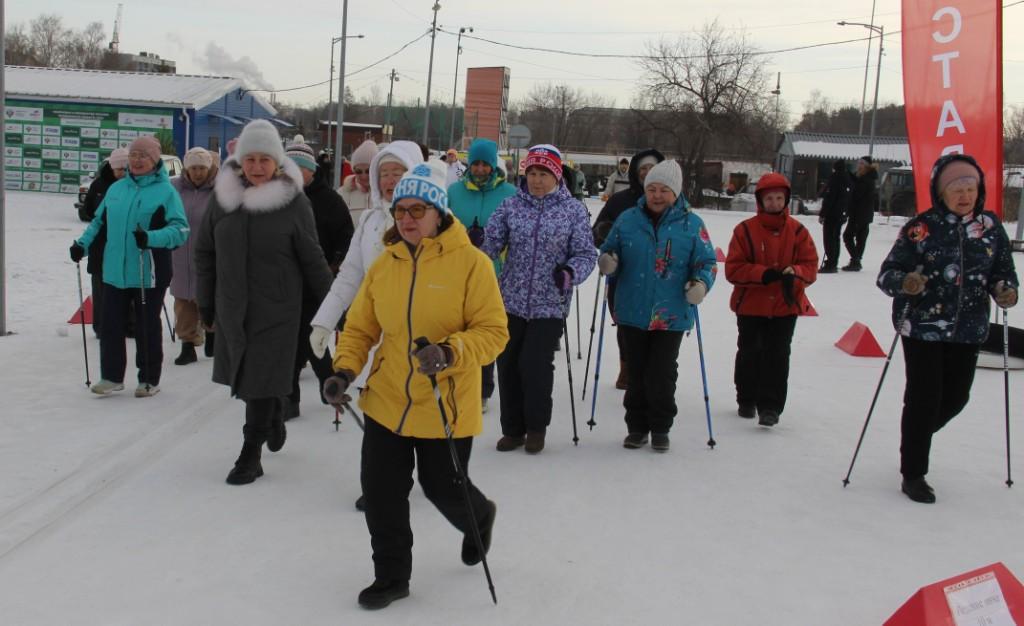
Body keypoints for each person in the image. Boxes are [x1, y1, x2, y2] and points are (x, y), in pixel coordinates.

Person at [322, 159, 508, 610]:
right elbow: (361, 328)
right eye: (400, 210)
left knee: (443, 488)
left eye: (417, 210)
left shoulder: (473, 265)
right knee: (383, 492)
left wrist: (448, 352)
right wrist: (344, 370)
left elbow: (493, 332)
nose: (406, 219)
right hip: (387, 400)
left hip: (444, 402)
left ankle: (478, 516)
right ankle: (391, 576)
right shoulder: (386, 265)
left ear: (439, 213)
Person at [193, 119, 333, 485]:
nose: (257, 167)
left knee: (257, 380)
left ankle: (249, 455)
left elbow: (313, 258)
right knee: (250, 380)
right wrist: (205, 303)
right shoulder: (222, 202)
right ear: (240, 161)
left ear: (277, 163)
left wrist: (335, 308)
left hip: (278, 311)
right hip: (232, 308)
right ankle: (273, 413)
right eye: (250, 159)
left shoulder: (293, 203)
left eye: (264, 160)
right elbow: (204, 253)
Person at [876, 154, 1018, 504]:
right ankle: (913, 472)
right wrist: (906, 282)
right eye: (957, 189)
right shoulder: (921, 228)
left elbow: (1003, 271)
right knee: (923, 398)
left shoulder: (990, 228)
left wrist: (1005, 290)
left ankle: (917, 434)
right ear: (941, 192)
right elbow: (887, 273)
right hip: (922, 327)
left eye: (971, 188)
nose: (965, 195)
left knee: (956, 397)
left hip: (968, 328)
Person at [482, 143, 597, 454]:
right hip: (510, 300)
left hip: (551, 303)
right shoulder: (511, 206)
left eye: (543, 173)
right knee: (507, 364)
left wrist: (570, 271)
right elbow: (491, 241)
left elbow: (586, 254)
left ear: (556, 176)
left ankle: (535, 427)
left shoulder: (573, 210)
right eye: (532, 173)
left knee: (534, 364)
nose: (536, 180)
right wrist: (476, 245)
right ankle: (513, 429)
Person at [597, 160, 717, 451]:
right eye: (652, 188)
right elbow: (610, 248)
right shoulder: (627, 219)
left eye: (664, 190)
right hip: (632, 309)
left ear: (676, 192)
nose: (657, 195)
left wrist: (700, 284)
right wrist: (609, 261)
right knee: (636, 372)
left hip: (671, 311)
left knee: (662, 372)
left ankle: (661, 426)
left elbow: (707, 262)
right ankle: (637, 427)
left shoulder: (692, 224)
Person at [70, 136, 189, 397]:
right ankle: (111, 377)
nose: (136, 160)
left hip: (149, 270)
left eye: (143, 156)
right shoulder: (117, 189)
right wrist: (83, 244)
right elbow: (99, 223)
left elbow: (180, 230)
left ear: (155, 160)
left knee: (146, 325)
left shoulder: (166, 192)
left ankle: (149, 379)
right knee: (111, 325)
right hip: (114, 269)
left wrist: (152, 237)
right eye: (133, 155)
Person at [309, 140, 424, 354]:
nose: (390, 180)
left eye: (397, 172)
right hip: (374, 333)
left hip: (418, 339)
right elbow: (350, 274)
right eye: (383, 174)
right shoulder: (370, 220)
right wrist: (324, 321)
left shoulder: (431, 221)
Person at [724, 172, 818, 427]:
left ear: (786, 200)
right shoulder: (744, 230)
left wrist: (795, 273)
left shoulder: (798, 231)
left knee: (778, 355)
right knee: (749, 353)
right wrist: (763, 274)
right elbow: (733, 268)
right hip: (751, 306)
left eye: (779, 198)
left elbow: (810, 265)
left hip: (785, 306)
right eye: (769, 198)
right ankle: (746, 398)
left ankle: (771, 406)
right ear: (760, 201)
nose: (774, 203)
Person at [284, 139, 355, 418]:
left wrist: (334, 264)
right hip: (286, 283)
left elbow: (346, 235)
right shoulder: (278, 197)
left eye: (298, 168)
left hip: (318, 282)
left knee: (315, 340)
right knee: (289, 344)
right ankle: (289, 400)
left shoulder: (329, 199)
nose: (293, 173)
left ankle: (330, 387)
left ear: (310, 170)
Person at [448, 138, 517, 411]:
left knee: (484, 328)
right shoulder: (454, 191)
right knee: (456, 325)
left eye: (484, 164)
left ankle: (482, 389)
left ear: (493, 165)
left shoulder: (510, 193)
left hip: (494, 271)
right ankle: (454, 378)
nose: (479, 169)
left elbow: (516, 233)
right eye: (475, 163)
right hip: (456, 269)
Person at [592, 148, 666, 390]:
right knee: (624, 321)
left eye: (651, 168)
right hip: (624, 273)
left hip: (660, 274)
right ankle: (628, 365)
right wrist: (604, 235)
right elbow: (597, 231)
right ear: (635, 172)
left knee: (659, 322)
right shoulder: (621, 200)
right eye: (642, 169)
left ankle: (652, 369)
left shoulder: (668, 199)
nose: (647, 173)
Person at [170, 147, 217, 365]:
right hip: (180, 255)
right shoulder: (174, 188)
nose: (198, 173)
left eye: (202, 168)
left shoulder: (219, 191)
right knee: (183, 301)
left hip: (208, 255)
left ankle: (213, 335)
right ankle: (187, 345)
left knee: (208, 298)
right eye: (193, 168)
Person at [82, 147, 129, 338]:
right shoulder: (99, 185)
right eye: (119, 169)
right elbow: (86, 211)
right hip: (100, 243)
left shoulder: (134, 186)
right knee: (101, 285)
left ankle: (130, 325)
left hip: (125, 244)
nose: (123, 173)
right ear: (111, 167)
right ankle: (101, 327)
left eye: (127, 169)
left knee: (127, 282)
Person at [842, 155, 879, 272]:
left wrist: (852, 183)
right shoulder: (867, 178)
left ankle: (856, 260)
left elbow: (857, 194)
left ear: (867, 166)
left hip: (859, 213)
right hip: (864, 214)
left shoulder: (866, 179)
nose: (859, 165)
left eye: (862, 164)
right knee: (860, 238)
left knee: (848, 236)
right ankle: (856, 260)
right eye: (859, 163)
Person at [818, 159, 852, 273]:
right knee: (835, 237)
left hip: (832, 213)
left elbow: (829, 198)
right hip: (841, 213)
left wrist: (823, 214)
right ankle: (834, 261)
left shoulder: (835, 178)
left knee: (829, 238)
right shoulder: (848, 179)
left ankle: (830, 263)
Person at [339, 140, 378, 225]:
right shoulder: (342, 194)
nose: (364, 176)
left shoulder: (386, 194)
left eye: (368, 171)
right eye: (359, 171)